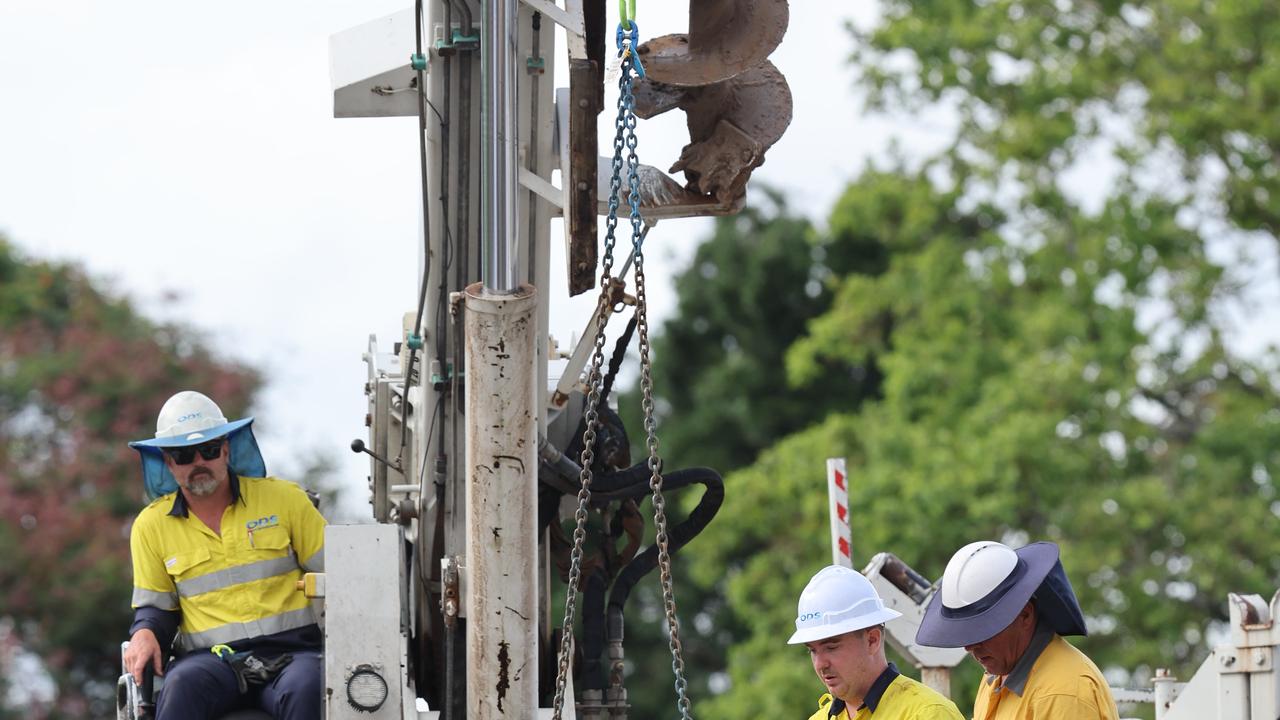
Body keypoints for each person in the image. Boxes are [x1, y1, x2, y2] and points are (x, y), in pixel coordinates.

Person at [123, 390, 327, 720]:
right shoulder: (150, 526)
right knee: (180, 688)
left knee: (310, 688)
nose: (199, 461)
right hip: (210, 662)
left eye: (209, 449)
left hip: (294, 654)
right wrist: (143, 634)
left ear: (226, 450)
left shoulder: (286, 500)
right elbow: (155, 609)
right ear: (168, 462)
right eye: (185, 454)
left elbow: (342, 575)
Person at [915, 541, 1119, 720]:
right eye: (967, 633)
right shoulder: (996, 677)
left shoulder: (1062, 694)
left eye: (982, 631)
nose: (969, 646)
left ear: (1025, 615)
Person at [789, 565, 965, 720]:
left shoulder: (928, 715)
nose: (820, 664)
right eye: (812, 650)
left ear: (872, 640)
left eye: (831, 647)